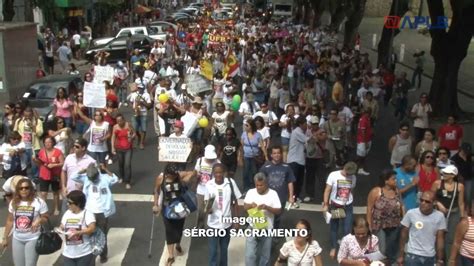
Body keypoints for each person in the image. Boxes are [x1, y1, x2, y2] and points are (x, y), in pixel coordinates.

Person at [71, 163, 118, 263]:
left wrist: (105, 169)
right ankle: (89, 253)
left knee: (101, 234)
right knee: (88, 233)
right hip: (89, 211)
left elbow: (115, 179)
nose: (92, 179)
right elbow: (73, 176)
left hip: (102, 212)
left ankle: (103, 254)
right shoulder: (86, 178)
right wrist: (82, 171)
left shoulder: (105, 178)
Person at [152, 164, 195, 266]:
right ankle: (171, 256)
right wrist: (155, 204)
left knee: (179, 229)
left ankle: (178, 243)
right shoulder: (161, 178)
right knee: (169, 231)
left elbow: (192, 173)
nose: (174, 177)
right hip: (167, 208)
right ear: (167, 173)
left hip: (180, 207)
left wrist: (189, 178)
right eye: (172, 175)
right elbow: (156, 191)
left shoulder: (179, 176)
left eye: (175, 175)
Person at [2, 179, 48, 266]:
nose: (24, 190)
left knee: (30, 264)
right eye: (21, 188)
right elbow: (10, 220)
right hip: (17, 239)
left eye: (26, 188)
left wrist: (39, 220)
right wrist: (5, 238)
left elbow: (45, 217)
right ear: (17, 190)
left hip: (33, 238)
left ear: (30, 189)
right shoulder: (14, 202)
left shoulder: (39, 202)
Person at [205, 163, 242, 266]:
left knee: (224, 250)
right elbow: (206, 203)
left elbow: (235, 203)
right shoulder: (209, 185)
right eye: (216, 172)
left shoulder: (230, 183)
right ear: (213, 173)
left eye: (220, 172)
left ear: (224, 173)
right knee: (213, 251)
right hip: (213, 224)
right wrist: (208, 209)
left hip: (226, 224)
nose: (218, 175)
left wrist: (237, 221)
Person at [397, 191, 446, 266]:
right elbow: (403, 236)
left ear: (434, 203)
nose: (423, 203)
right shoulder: (411, 213)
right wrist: (401, 255)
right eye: (421, 200)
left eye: (427, 201)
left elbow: (440, 239)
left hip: (430, 256)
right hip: (412, 255)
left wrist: (440, 259)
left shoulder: (440, 216)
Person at [367, 169, 404, 265]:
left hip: (394, 224)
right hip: (379, 225)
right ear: (386, 181)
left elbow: (401, 206)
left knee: (392, 249)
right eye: (393, 179)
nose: (396, 181)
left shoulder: (397, 191)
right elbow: (369, 209)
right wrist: (369, 225)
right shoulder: (376, 191)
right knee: (382, 250)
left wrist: (404, 220)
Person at [244, 172, 282, 266]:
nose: (259, 187)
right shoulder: (250, 192)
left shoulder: (273, 194)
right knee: (249, 255)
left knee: (265, 255)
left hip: (266, 228)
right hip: (252, 227)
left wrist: (267, 207)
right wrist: (250, 205)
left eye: (261, 185)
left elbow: (278, 211)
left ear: (266, 183)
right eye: (257, 185)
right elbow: (245, 207)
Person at [322, 161, 358, 259]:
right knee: (335, 227)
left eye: (351, 174)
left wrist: (350, 199)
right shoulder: (333, 175)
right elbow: (327, 190)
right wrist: (325, 204)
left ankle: (345, 250)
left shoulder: (353, 177)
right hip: (336, 205)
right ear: (345, 169)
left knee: (347, 229)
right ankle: (333, 247)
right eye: (348, 173)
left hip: (348, 206)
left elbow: (352, 190)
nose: (349, 175)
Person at [431, 165, 465, 259]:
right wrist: (438, 203)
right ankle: (436, 258)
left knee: (450, 238)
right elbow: (430, 197)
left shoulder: (459, 186)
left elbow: (461, 203)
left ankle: (448, 260)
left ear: (453, 175)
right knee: (437, 235)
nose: (444, 174)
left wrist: (462, 218)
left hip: (453, 214)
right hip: (438, 213)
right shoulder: (437, 183)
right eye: (444, 172)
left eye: (447, 173)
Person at [260, 145, 296, 228]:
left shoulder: (287, 167)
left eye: (278, 153)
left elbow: (290, 182)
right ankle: (265, 234)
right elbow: (260, 181)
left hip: (281, 197)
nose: (276, 155)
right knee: (266, 216)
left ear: (281, 154)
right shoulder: (265, 167)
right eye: (274, 153)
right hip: (268, 197)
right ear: (271, 155)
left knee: (277, 217)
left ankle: (275, 235)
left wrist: (291, 197)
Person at [59, 190, 97, 266]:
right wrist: (60, 229)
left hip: (84, 253)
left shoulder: (87, 214)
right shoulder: (67, 213)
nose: (67, 204)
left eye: (70, 203)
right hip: (68, 253)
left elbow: (92, 228)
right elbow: (62, 225)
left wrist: (78, 232)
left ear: (78, 204)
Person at [61, 138, 97, 208]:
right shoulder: (69, 157)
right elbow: (63, 171)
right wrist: (63, 186)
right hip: (68, 193)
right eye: (74, 146)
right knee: (66, 215)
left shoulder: (91, 162)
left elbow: (95, 180)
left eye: (77, 147)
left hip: (83, 196)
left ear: (83, 148)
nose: (74, 148)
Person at [33, 136, 64, 216]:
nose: (47, 144)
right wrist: (35, 161)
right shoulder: (41, 152)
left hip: (55, 175)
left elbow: (62, 163)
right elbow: (39, 164)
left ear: (53, 142)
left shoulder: (58, 152)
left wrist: (54, 165)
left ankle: (56, 208)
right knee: (43, 193)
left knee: (55, 193)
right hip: (44, 174)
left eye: (49, 142)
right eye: (46, 142)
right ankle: (43, 210)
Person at [14, 106, 44, 180]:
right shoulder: (19, 121)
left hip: (34, 146)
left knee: (34, 164)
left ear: (32, 114)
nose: (27, 117)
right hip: (23, 146)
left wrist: (32, 126)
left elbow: (40, 133)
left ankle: (35, 178)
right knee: (25, 164)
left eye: (29, 115)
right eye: (25, 115)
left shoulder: (38, 121)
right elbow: (15, 132)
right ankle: (27, 178)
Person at [240, 118, 266, 192]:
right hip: (246, 157)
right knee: (246, 173)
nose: (245, 127)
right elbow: (241, 146)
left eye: (247, 125)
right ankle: (246, 189)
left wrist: (266, 156)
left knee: (254, 173)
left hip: (255, 157)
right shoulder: (244, 134)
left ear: (251, 126)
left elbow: (262, 146)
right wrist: (239, 157)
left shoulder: (258, 135)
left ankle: (254, 188)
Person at [287, 116, 309, 203]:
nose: (306, 125)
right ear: (300, 124)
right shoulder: (297, 132)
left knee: (299, 180)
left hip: (300, 160)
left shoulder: (301, 132)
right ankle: (292, 197)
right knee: (294, 180)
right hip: (294, 160)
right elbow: (308, 140)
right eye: (305, 124)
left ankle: (296, 196)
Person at [111, 114, 135, 189]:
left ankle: (127, 181)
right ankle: (121, 176)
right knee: (121, 164)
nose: (119, 122)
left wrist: (131, 137)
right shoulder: (115, 127)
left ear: (124, 120)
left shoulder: (128, 125)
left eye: (121, 120)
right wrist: (112, 147)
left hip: (128, 148)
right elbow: (113, 137)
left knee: (127, 164)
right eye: (118, 121)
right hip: (119, 148)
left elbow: (134, 133)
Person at [448, 200, 474, 266]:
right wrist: (452, 260)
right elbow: (456, 242)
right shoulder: (465, 223)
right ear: (471, 209)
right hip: (467, 258)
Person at [128, 83, 153, 149]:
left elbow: (149, 105)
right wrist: (133, 108)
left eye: (141, 88)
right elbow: (130, 102)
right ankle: (139, 137)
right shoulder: (134, 94)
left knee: (143, 129)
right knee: (134, 129)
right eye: (139, 88)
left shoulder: (146, 95)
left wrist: (142, 103)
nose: (140, 89)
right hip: (135, 113)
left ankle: (141, 143)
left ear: (143, 88)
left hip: (143, 113)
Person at [356, 107, 372, 175]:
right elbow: (363, 132)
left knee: (363, 155)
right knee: (362, 156)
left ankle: (359, 167)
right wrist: (365, 142)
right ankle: (360, 169)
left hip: (367, 140)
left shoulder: (366, 118)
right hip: (363, 141)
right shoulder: (363, 120)